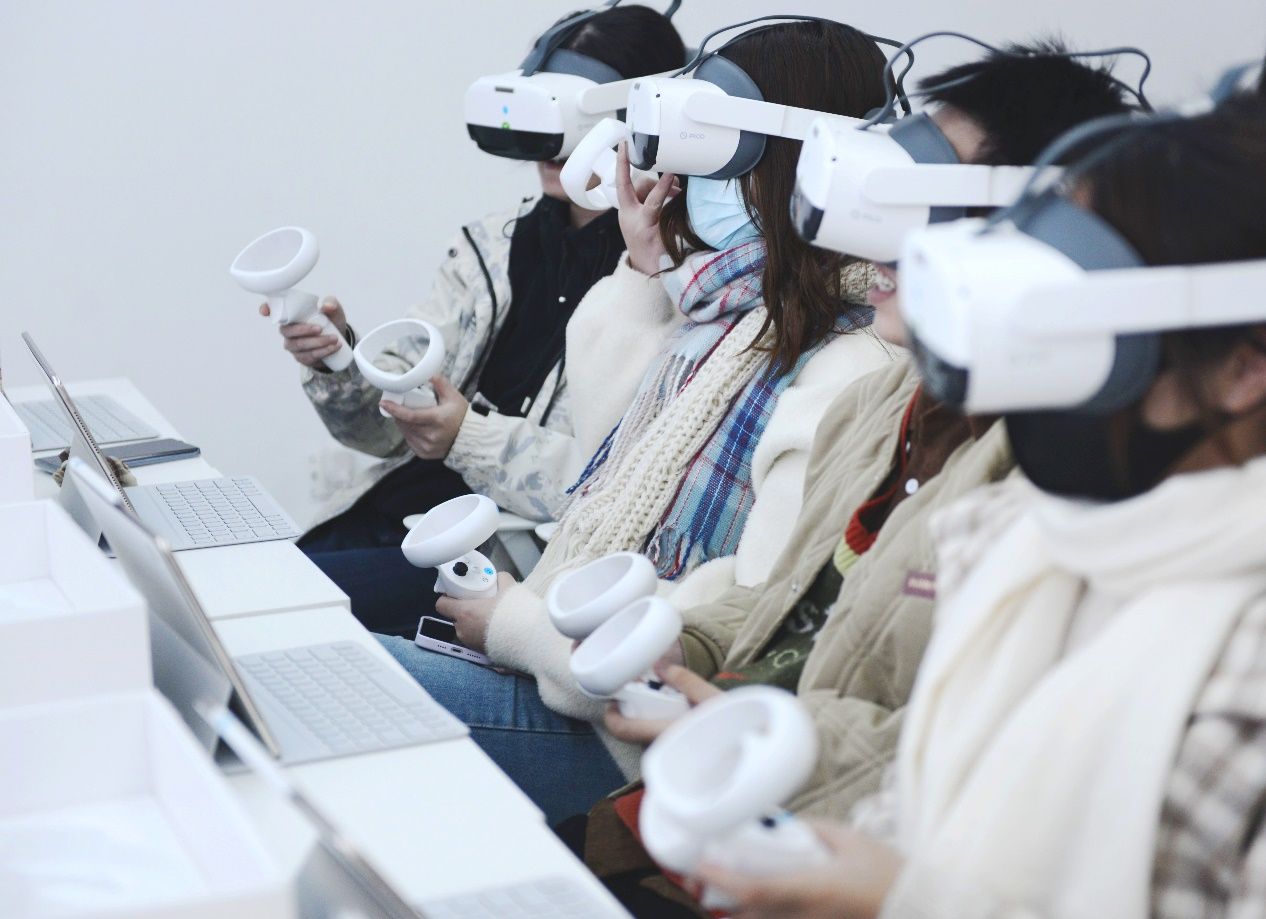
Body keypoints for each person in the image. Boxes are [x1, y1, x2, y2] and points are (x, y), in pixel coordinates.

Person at [547, 44, 1138, 919]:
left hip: (835, 851)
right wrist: (687, 645)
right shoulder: (877, 406)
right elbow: (786, 596)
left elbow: (991, 751)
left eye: (929, 198)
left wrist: (755, 720)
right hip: (724, 804)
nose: (876, 236)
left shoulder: (1057, 476)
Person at [699, 93, 1266, 919]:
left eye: (1082, 290)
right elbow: (915, 815)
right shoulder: (1012, 543)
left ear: (1242, 370)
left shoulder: (1243, 668)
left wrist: (900, 900)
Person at [378, 19, 899, 825]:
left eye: (719, 153)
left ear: (807, 163)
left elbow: (746, 626)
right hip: (555, 659)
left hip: (618, 737)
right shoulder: (731, 313)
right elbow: (600, 449)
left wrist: (514, 625)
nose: (689, 179)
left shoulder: (847, 369)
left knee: (329, 682)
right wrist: (643, 266)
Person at [263, 6, 686, 637]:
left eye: (573, 121)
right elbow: (378, 434)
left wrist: (466, 437)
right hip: (397, 512)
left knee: (277, 613)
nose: (553, 146)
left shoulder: (666, 287)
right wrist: (338, 359)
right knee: (241, 590)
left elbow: (614, 489)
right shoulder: (492, 247)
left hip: (495, 565)